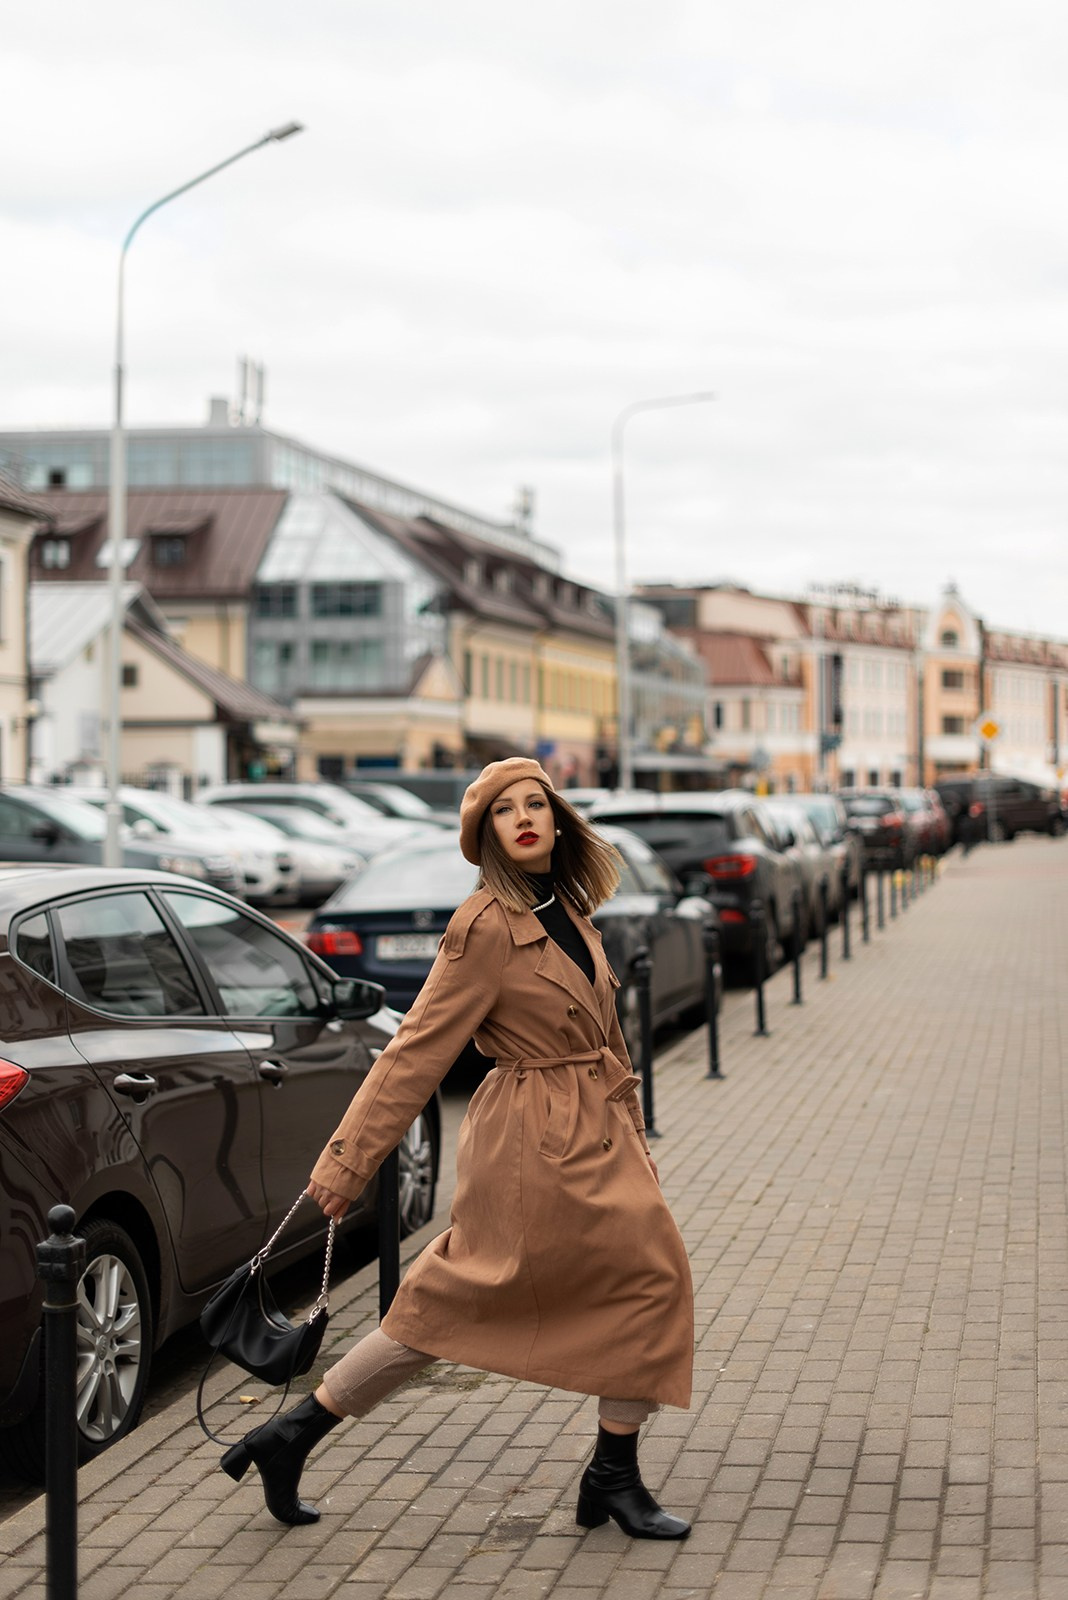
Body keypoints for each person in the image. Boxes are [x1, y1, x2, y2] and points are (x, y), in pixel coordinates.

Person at [218, 757, 694, 1541]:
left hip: (597, 1128)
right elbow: (414, 1051)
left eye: (536, 803)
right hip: (532, 1139)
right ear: (487, 836)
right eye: (506, 811)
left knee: (633, 1281)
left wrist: (637, 1141)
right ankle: (609, 1475)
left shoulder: (568, 911)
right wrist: (348, 1164)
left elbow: (609, 1042)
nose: (525, 817)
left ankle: (292, 1436)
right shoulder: (484, 925)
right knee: (474, 1298)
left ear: (557, 818)